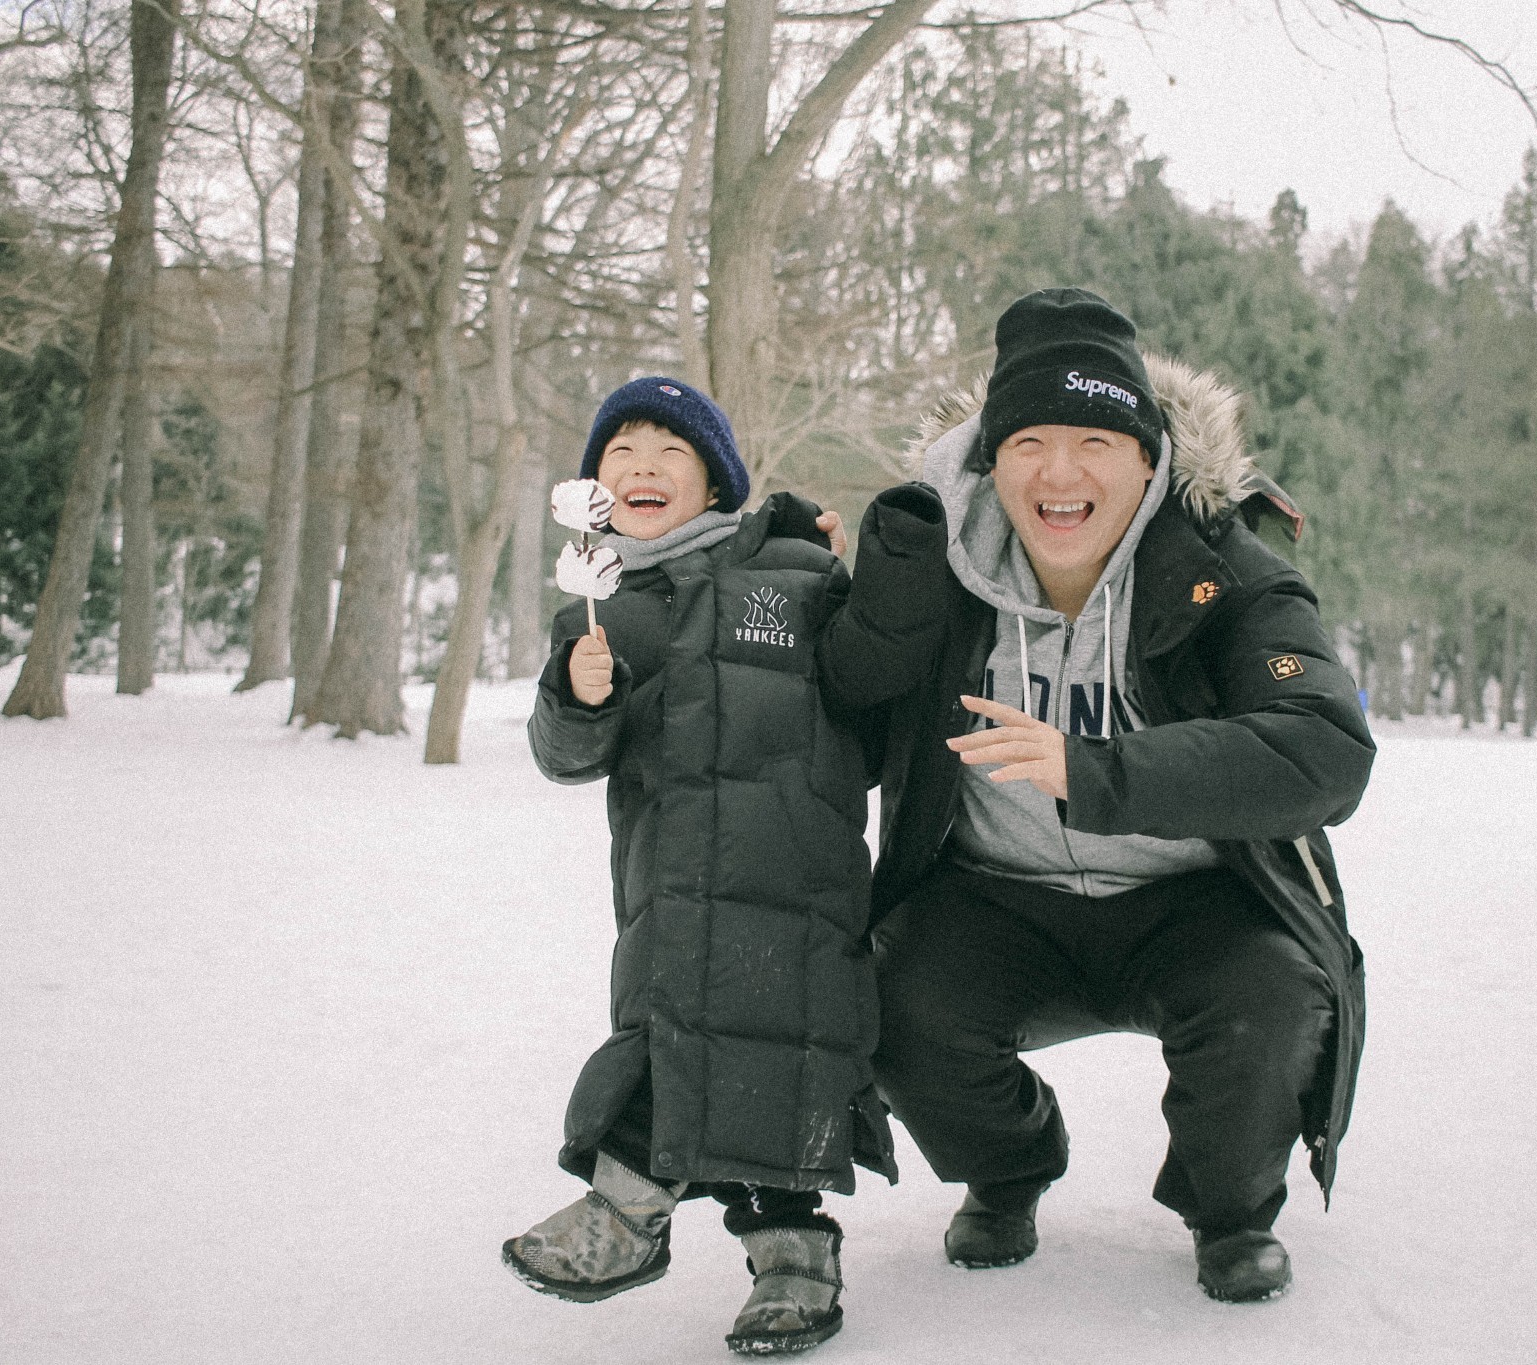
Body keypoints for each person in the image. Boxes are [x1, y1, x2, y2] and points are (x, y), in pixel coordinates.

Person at [821, 289, 1373, 1303]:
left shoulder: (1228, 572)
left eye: (1094, 441)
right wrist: (838, 605)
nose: (1059, 472)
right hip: (995, 896)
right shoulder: (935, 570)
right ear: (992, 460)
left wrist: (1095, 770)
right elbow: (841, 733)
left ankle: (1227, 1210)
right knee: (891, 998)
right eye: (1026, 439)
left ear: (1149, 460)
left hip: (1194, 901)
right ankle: (1008, 1168)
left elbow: (1324, 752)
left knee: (1270, 1004)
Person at [504, 376, 893, 1356]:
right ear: (594, 487)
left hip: (794, 880)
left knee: (784, 1061)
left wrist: (833, 562)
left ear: (715, 483)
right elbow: (564, 757)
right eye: (620, 452)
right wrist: (574, 693)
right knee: (662, 1043)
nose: (642, 466)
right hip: (667, 888)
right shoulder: (602, 613)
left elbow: (865, 688)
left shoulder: (791, 574)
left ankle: (794, 1255)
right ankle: (625, 1217)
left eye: (670, 451)